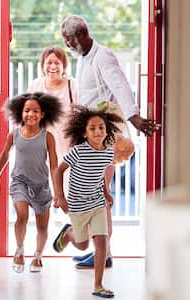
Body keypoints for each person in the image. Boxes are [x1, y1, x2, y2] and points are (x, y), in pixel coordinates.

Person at [60, 14, 160, 268]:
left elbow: (121, 84)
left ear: (82, 33)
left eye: (69, 39)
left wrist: (134, 116)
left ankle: (103, 253)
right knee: (93, 193)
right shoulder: (84, 58)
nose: (67, 44)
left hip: (102, 136)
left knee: (98, 194)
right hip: (90, 135)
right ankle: (103, 251)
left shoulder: (102, 55)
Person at [53, 106, 124, 298]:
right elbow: (59, 171)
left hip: (98, 203)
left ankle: (98, 285)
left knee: (101, 241)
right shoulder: (77, 152)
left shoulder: (108, 153)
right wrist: (60, 196)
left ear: (106, 130)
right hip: (77, 205)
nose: (98, 131)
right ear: (84, 133)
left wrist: (107, 192)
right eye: (92, 128)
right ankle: (68, 234)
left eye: (101, 127)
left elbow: (100, 175)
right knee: (83, 244)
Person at [0, 92, 62, 273]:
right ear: (20, 113)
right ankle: (19, 250)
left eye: (35, 111)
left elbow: (54, 166)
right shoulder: (14, 134)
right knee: (21, 215)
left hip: (42, 186)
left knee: (42, 227)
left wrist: (58, 193)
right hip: (19, 182)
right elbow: (4, 156)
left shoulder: (48, 137)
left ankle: (38, 256)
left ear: (43, 114)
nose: (31, 114)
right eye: (27, 110)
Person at [27, 46, 77, 163]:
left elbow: (83, 113)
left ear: (64, 66)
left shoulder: (72, 85)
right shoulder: (35, 86)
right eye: (49, 63)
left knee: (65, 179)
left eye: (57, 63)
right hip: (41, 147)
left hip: (67, 146)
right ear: (42, 65)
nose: (53, 67)